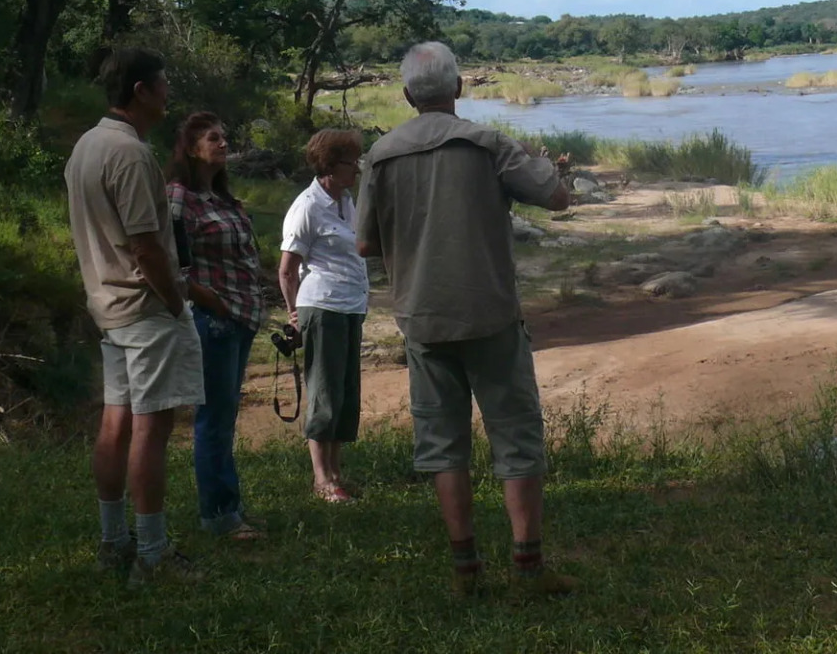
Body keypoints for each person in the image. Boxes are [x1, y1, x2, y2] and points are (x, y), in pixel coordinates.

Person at [355, 41, 576, 597]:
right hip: (491, 315)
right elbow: (556, 198)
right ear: (459, 88)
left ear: (407, 95)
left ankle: (466, 571)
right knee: (517, 438)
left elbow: (364, 244)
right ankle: (527, 568)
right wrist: (544, 165)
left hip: (423, 319)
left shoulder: (380, 155)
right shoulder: (488, 144)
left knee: (442, 444)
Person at [64, 47, 214, 587]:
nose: (168, 93)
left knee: (117, 423)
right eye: (164, 84)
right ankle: (151, 555)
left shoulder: (86, 145)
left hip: (108, 307)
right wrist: (175, 302)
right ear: (140, 91)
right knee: (152, 430)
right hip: (145, 308)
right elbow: (146, 245)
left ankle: (113, 542)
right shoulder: (128, 153)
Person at [167, 112, 271, 541]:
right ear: (192, 148)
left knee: (225, 415)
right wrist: (208, 299)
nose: (223, 144)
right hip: (214, 321)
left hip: (240, 319)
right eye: (213, 138)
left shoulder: (223, 197)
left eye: (225, 136)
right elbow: (168, 262)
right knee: (214, 418)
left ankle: (229, 508)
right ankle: (221, 515)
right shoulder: (180, 197)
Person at [278, 129, 372, 503]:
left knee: (346, 394)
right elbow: (287, 269)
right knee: (325, 392)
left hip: (351, 306)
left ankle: (335, 473)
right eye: (352, 163)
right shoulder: (307, 206)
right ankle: (322, 481)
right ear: (331, 166)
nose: (358, 169)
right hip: (322, 306)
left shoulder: (346, 201)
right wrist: (293, 315)